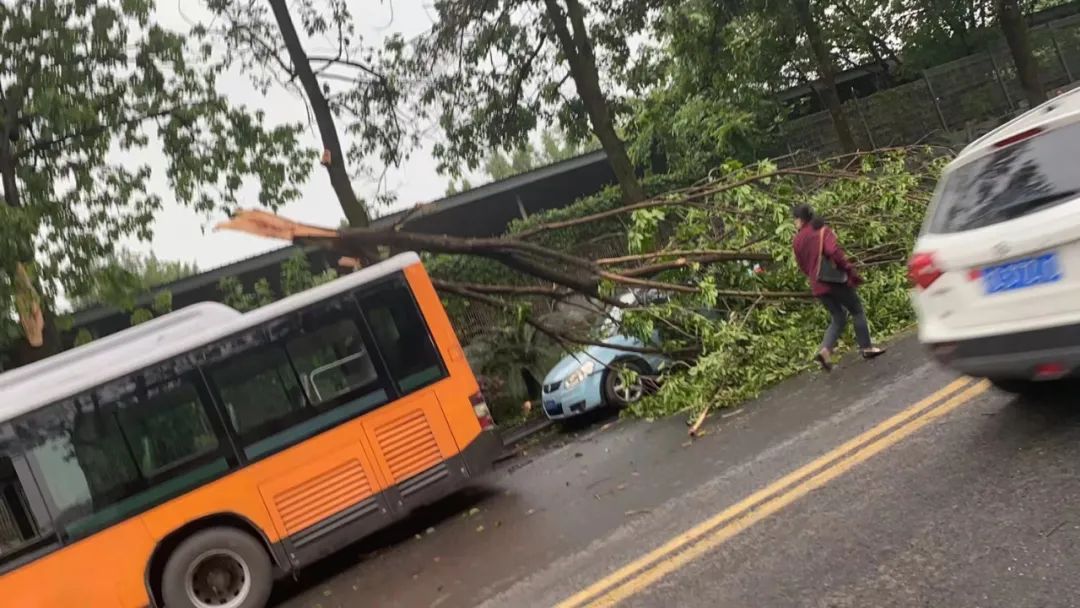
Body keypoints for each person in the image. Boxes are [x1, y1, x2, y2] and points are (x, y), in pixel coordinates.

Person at [791, 204, 885, 370]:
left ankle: (825, 351)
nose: (794, 223)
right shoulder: (821, 231)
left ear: (800, 219)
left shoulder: (797, 240)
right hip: (833, 280)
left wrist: (814, 275)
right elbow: (833, 251)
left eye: (795, 219)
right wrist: (849, 270)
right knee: (856, 310)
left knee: (838, 316)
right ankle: (866, 347)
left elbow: (802, 266)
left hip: (817, 285)